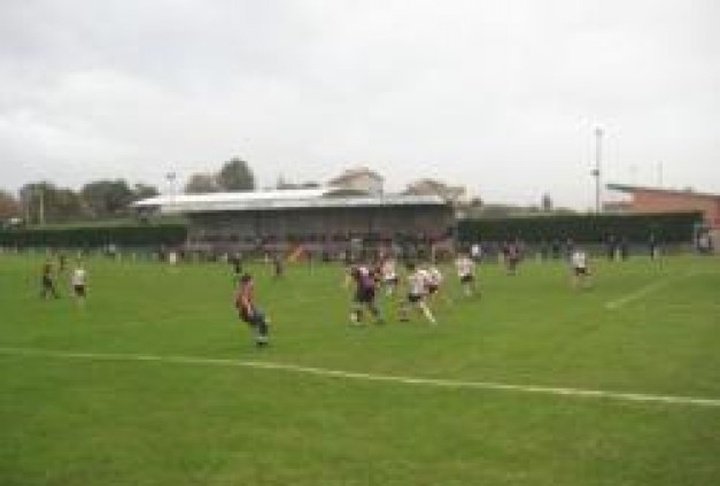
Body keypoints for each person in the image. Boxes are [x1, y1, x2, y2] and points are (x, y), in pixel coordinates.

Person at [235, 273, 270, 347]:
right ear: (248, 282)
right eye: (252, 280)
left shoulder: (244, 288)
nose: (253, 282)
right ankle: (261, 339)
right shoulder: (245, 289)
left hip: (246, 311)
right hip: (246, 311)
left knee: (258, 323)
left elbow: (236, 303)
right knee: (264, 321)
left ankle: (261, 340)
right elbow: (244, 300)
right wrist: (249, 310)